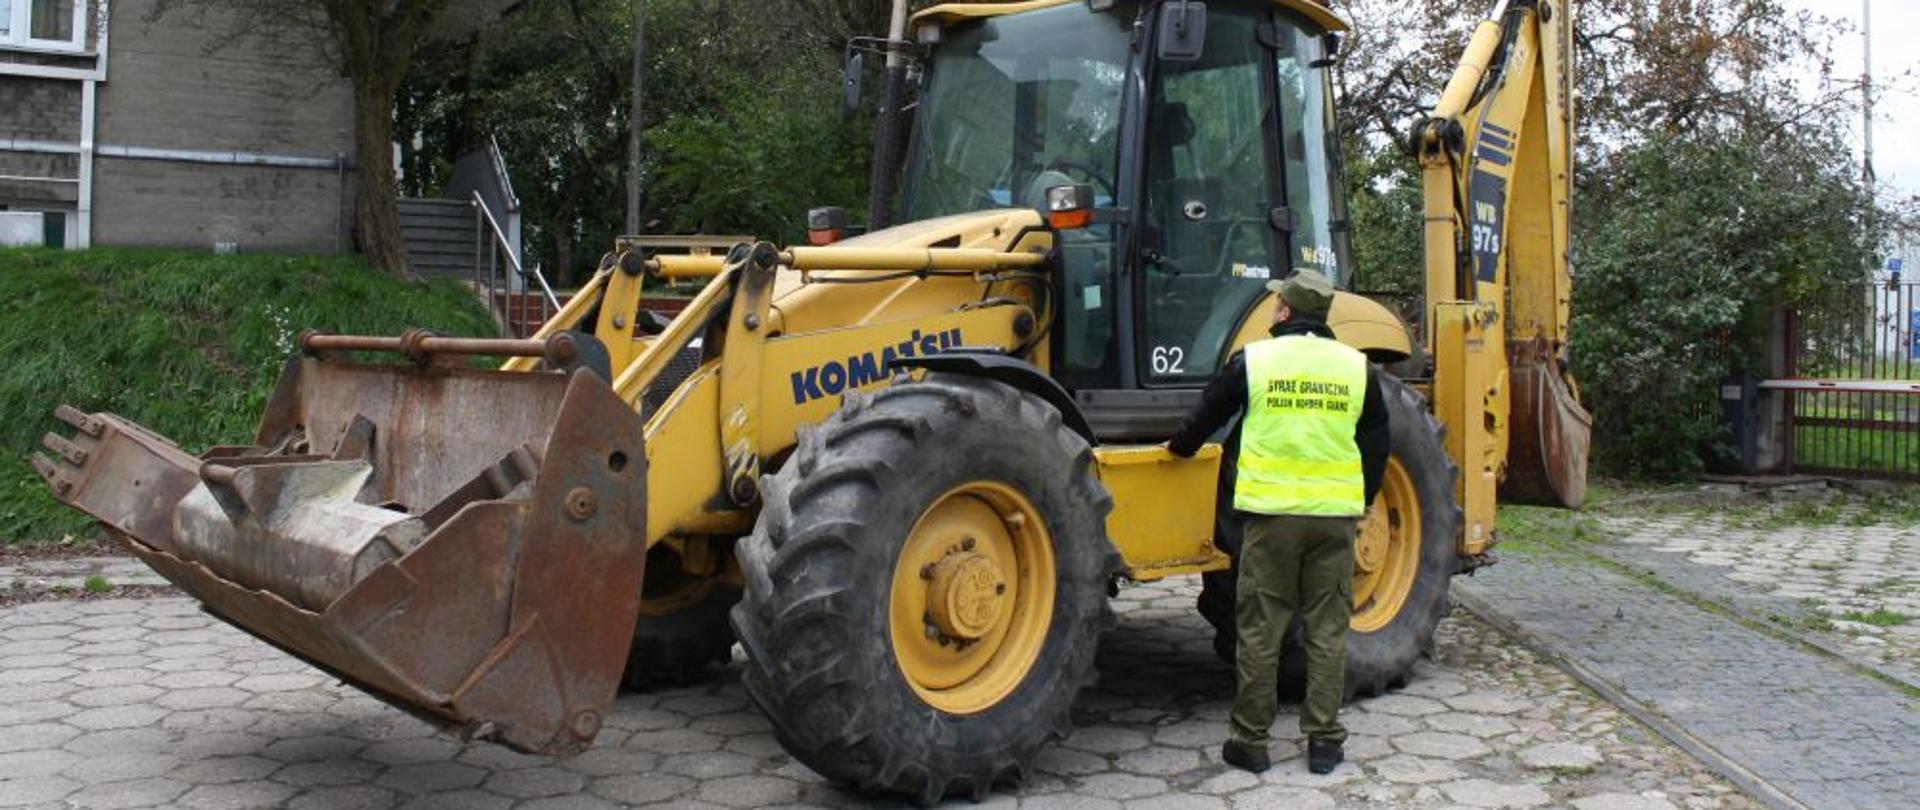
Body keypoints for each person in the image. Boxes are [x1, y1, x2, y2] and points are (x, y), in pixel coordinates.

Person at [1167, 270, 1390, 775]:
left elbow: (1207, 413)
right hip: (1333, 519)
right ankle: (1325, 742)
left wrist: (1178, 448)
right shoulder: (1356, 368)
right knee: (1328, 630)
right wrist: (1364, 497)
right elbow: (1377, 439)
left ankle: (1250, 741)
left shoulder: (1257, 361)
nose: (1272, 310)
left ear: (1286, 312)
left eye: (1276, 305)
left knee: (1262, 629)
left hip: (1271, 520)